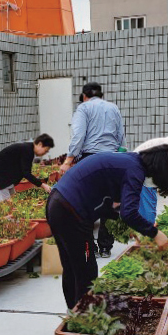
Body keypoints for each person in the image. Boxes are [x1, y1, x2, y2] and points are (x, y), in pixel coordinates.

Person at [46, 146, 168, 309]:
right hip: (70, 211)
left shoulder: (130, 162)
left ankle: (74, 313)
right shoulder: (135, 170)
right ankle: (82, 316)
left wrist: (129, 226)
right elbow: (129, 213)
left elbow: (108, 204)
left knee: (72, 266)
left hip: (57, 204)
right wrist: (155, 233)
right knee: (86, 270)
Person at [59, 82, 127, 258]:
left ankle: (91, 247)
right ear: (101, 95)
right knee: (109, 203)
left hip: (91, 159)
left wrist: (68, 160)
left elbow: (78, 135)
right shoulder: (113, 108)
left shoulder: (84, 108)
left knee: (87, 204)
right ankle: (106, 247)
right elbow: (121, 137)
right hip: (112, 159)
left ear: (84, 96)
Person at [0, 134, 55, 203]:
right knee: (6, 205)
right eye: (45, 150)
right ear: (39, 144)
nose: (45, 153)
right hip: (1, 176)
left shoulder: (28, 148)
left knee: (13, 201)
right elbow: (26, 173)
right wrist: (42, 185)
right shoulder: (27, 150)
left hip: (6, 176)